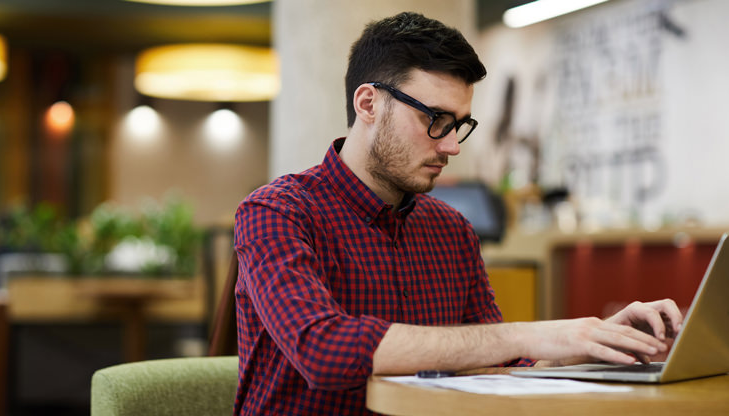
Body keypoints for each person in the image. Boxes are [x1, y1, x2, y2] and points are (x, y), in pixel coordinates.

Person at [232, 11, 683, 416]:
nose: (451, 145)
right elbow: (322, 349)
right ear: (368, 104)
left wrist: (592, 344)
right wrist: (529, 334)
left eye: (459, 125)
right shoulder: (276, 212)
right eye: (435, 119)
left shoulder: (451, 230)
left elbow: (502, 363)